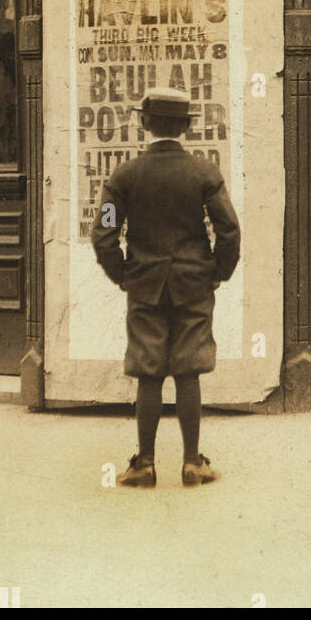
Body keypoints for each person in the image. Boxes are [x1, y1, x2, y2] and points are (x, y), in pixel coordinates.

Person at [90, 87, 240, 487]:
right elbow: (229, 229)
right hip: (194, 283)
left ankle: (144, 465)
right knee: (189, 370)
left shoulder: (124, 176)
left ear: (144, 123)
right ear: (185, 127)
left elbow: (103, 233)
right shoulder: (204, 172)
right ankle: (193, 463)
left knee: (149, 371)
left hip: (144, 284)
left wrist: (123, 273)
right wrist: (218, 272)